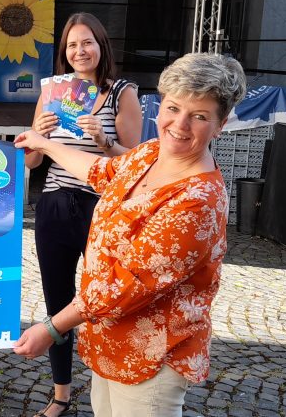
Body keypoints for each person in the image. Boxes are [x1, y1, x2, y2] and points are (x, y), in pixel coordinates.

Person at [14, 52, 246, 417]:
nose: (179, 125)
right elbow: (104, 172)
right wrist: (44, 144)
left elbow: (127, 284)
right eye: (173, 108)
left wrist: (52, 327)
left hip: (154, 356)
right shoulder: (152, 152)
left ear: (221, 123)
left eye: (199, 116)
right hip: (111, 342)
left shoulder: (198, 200)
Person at [26, 12, 143, 416]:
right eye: (72, 45)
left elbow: (136, 161)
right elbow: (31, 161)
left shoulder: (122, 92)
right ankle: (61, 393)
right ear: (64, 53)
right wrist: (37, 137)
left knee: (106, 301)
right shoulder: (53, 93)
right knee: (58, 302)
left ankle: (108, 389)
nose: (80, 51)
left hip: (103, 208)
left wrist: (104, 140)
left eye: (87, 42)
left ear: (101, 45)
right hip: (55, 204)